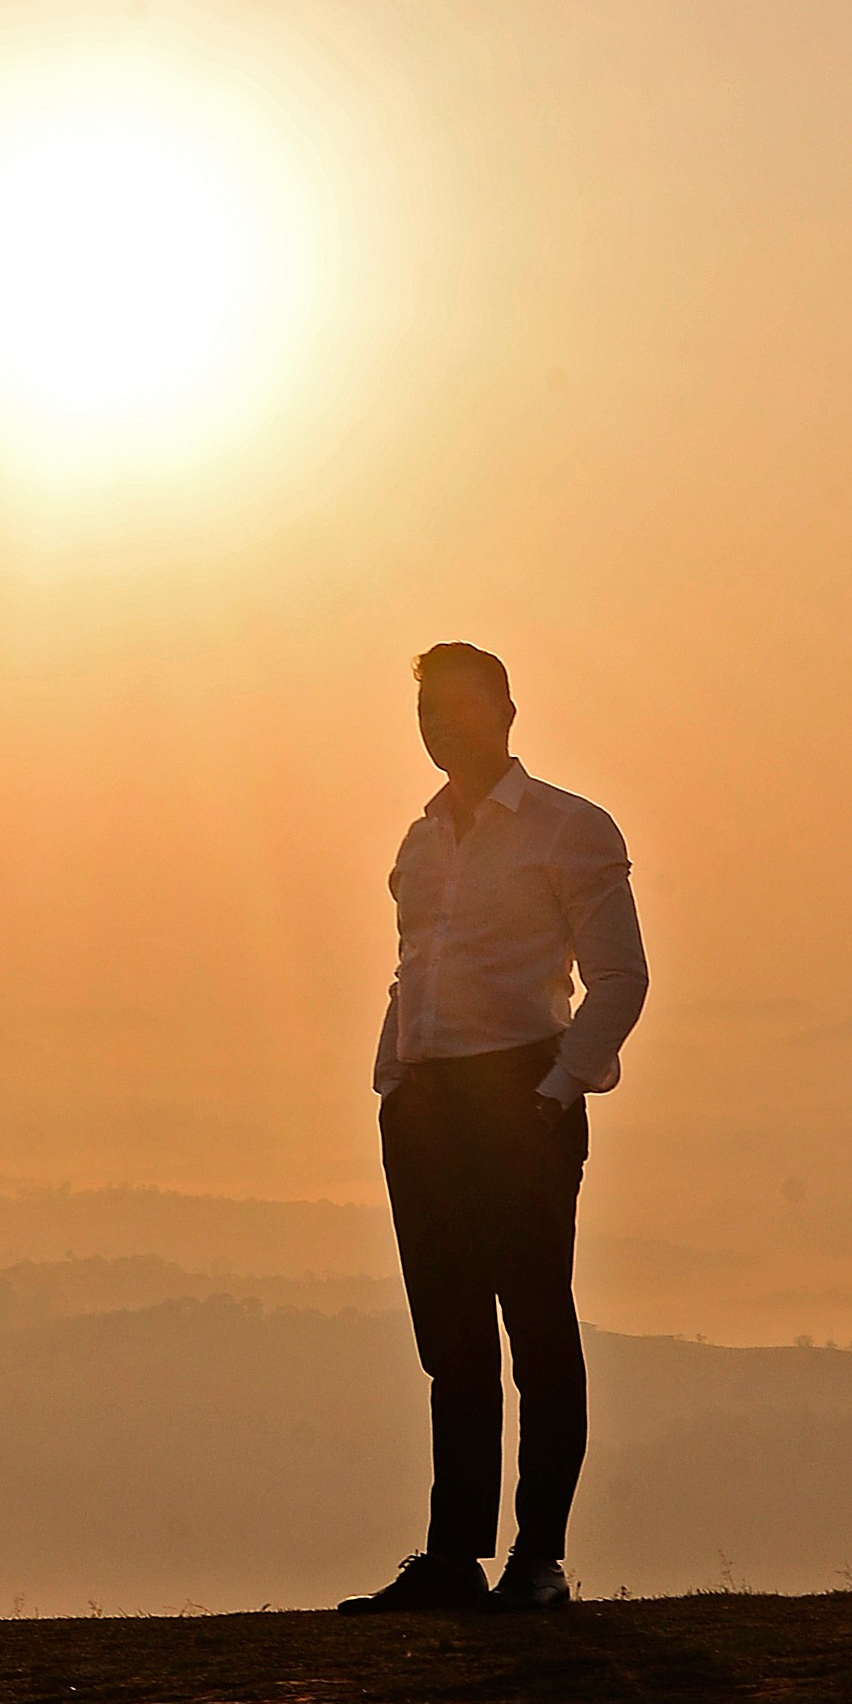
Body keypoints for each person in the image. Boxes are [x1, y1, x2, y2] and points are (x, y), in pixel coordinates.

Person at [340, 643, 647, 1616]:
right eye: (429, 709)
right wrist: (395, 1077)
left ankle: (538, 1558)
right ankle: (456, 1555)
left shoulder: (568, 829)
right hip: (428, 1102)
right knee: (454, 1339)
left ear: (509, 711)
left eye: (462, 707)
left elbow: (619, 977)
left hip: (520, 1094)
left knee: (537, 1327)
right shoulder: (422, 840)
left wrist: (555, 1090)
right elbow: (414, 970)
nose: (443, 725)